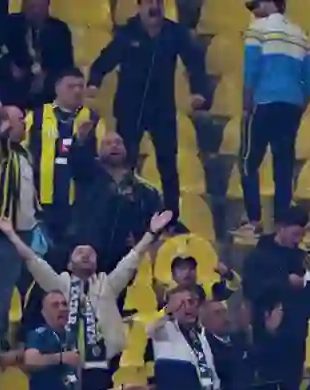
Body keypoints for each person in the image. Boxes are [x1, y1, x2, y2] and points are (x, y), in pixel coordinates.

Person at [0, 209, 174, 390]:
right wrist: (12, 235)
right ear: (69, 264)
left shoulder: (108, 285)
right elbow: (33, 261)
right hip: (66, 370)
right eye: (80, 252)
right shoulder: (60, 285)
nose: (86, 254)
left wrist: (151, 233)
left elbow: (132, 259)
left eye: (91, 252)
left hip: (99, 371)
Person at [87, 0, 209, 215]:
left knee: (168, 166)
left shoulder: (175, 32)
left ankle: (170, 217)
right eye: (149, 2)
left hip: (162, 108)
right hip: (130, 107)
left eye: (158, 2)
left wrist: (198, 90)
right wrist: (94, 82)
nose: (154, 7)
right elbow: (104, 60)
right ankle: (124, 214)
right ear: (140, 6)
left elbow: (195, 62)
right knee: (127, 165)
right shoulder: (128, 32)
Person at [242, 206, 310, 390]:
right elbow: (252, 289)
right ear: (281, 228)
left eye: (301, 235)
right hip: (266, 340)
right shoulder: (258, 257)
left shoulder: (302, 257)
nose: (298, 240)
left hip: (295, 338)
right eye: (295, 234)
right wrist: (285, 283)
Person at [240, 0, 310, 230]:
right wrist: (300, 103)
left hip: (263, 102)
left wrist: (246, 104)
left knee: (248, 162)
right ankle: (283, 222)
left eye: (257, 4)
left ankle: (254, 220)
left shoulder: (257, 29)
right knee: (283, 166)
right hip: (291, 105)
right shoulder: (301, 34)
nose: (254, 9)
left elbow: (251, 69)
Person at [22, 68, 105, 247]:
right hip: (41, 203)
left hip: (78, 205)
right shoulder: (35, 117)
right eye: (71, 86)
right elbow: (21, 153)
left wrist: (83, 142)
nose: (77, 91)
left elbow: (102, 161)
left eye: (80, 86)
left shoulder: (94, 120)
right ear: (57, 88)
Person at [68, 127, 163, 274]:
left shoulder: (144, 190)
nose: (114, 146)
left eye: (118, 143)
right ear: (98, 152)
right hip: (92, 258)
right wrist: (80, 141)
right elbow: (76, 162)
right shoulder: (87, 179)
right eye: (108, 143)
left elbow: (154, 223)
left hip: (128, 259)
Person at [0, 106, 40, 330]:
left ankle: (14, 333)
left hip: (26, 232)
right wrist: (1, 132)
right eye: (20, 119)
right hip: (1, 233)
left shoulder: (24, 153)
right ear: (6, 123)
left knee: (20, 288)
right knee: (2, 290)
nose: (25, 123)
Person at [1, 0, 73, 109]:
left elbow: (66, 65)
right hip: (16, 85)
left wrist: (47, 75)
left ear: (48, 8)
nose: (36, 12)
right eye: (32, 7)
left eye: (41, 8)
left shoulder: (60, 30)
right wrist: (9, 67)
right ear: (23, 7)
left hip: (48, 89)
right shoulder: (10, 25)